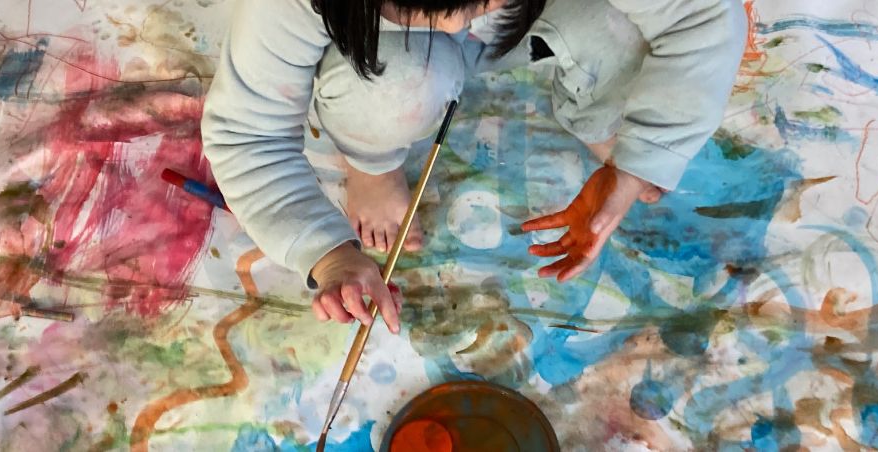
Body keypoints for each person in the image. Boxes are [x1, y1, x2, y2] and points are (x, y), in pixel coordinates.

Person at [201, 0, 746, 334]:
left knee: (638, 37)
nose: (460, 23)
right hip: (390, 58)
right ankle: (371, 163)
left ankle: (596, 110)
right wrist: (325, 253)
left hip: (542, 20)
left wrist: (637, 163)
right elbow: (247, 132)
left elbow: (701, 18)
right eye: (426, 7)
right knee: (390, 94)